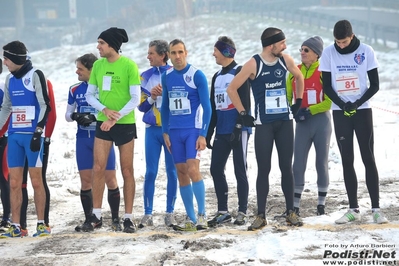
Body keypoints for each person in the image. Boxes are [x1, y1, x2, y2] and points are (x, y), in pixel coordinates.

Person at [226, 27, 305, 231]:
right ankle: (261, 215)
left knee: (286, 167)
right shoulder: (254, 63)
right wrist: (243, 113)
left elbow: (299, 77)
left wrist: (298, 100)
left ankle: (291, 212)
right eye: (282, 43)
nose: (285, 46)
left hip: (285, 122)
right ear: (271, 45)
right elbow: (231, 88)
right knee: (264, 169)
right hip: (264, 125)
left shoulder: (284, 59)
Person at [319, 20, 388, 224]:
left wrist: (357, 103)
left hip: (362, 110)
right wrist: (342, 104)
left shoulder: (366, 51)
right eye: (338, 42)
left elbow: (375, 85)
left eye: (344, 41)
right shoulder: (329, 53)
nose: (341, 45)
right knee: (347, 159)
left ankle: (376, 209)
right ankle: (353, 209)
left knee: (368, 157)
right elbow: (327, 86)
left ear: (352, 36)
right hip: (341, 112)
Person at [85, 27, 141, 233]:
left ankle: (128, 218)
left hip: (124, 124)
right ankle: (96, 215)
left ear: (112, 46)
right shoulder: (98, 66)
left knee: (127, 170)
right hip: (103, 121)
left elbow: (136, 98)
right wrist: (105, 110)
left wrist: (115, 118)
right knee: (98, 168)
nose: (98, 47)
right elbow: (90, 95)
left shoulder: (129, 65)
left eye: (101, 43)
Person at [0, 41, 51, 238]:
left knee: (37, 181)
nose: (4, 62)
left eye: (6, 58)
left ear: (15, 58)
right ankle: (16, 226)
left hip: (32, 136)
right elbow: (6, 107)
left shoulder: (35, 74)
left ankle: (41, 224)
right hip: (14, 136)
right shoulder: (9, 79)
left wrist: (39, 131)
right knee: (14, 182)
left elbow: (45, 105)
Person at [160, 39, 211, 231]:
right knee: (181, 172)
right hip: (174, 132)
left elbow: (207, 107)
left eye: (180, 52)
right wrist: (165, 131)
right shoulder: (167, 76)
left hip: (193, 131)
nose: (177, 56)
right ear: (169, 55)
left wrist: (203, 134)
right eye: (173, 53)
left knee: (192, 169)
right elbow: (165, 106)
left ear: (186, 53)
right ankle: (190, 218)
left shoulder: (197, 75)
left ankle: (202, 215)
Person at [66, 53, 119, 232]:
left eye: (80, 69)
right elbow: (67, 115)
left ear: (91, 70)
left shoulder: (104, 87)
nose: (76, 72)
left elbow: (114, 112)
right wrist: (75, 116)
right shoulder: (74, 89)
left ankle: (116, 219)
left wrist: (94, 117)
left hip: (103, 138)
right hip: (83, 139)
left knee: (110, 179)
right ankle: (91, 219)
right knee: (86, 181)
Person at [206, 36, 251, 227]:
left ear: (225, 52)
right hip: (222, 131)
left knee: (240, 169)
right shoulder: (216, 76)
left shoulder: (239, 71)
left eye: (215, 50)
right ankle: (223, 211)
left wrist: (239, 126)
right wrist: (208, 133)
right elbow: (213, 107)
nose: (213, 53)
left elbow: (246, 104)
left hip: (238, 129)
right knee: (216, 169)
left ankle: (242, 211)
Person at [286, 36, 332, 216]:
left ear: (316, 54)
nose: (302, 53)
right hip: (302, 124)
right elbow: (287, 96)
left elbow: (328, 102)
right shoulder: (293, 72)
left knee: (321, 162)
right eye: (301, 49)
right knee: (298, 164)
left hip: (321, 122)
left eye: (306, 50)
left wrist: (310, 111)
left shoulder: (323, 72)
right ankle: (295, 205)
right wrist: (294, 110)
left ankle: (321, 204)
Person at [137, 40, 178, 228]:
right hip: (152, 130)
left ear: (162, 55)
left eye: (151, 53)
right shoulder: (145, 76)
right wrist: (152, 97)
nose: (148, 56)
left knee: (172, 171)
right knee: (151, 172)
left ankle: (170, 212)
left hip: (171, 130)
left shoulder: (174, 73)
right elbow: (141, 107)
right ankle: (148, 213)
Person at [20, 79, 56, 236]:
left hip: (37, 138)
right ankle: (21, 225)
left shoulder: (43, 81)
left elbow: (51, 111)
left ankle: (44, 223)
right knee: (19, 182)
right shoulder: (12, 81)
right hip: (18, 137)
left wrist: (46, 137)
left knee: (39, 180)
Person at [0, 58, 11, 232]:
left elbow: (7, 112)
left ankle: (6, 218)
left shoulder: (3, 87)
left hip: (3, 137)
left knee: (3, 177)